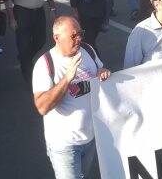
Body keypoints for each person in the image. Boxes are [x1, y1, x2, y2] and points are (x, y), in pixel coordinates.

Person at [32, 15, 111, 179]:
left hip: (90, 137)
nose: (79, 38)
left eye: (80, 33)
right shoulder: (45, 63)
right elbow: (42, 107)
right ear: (56, 38)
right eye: (73, 36)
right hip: (65, 145)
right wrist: (67, 78)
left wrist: (102, 72)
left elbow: (99, 70)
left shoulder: (88, 50)